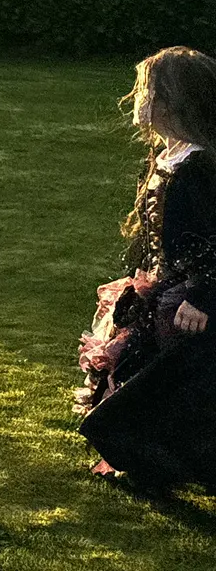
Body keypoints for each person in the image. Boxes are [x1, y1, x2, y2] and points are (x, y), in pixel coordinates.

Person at [77, 46, 216, 486]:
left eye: (147, 91)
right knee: (148, 378)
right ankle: (145, 463)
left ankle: (163, 464)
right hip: (163, 287)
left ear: (172, 101)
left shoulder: (200, 166)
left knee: (174, 388)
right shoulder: (169, 155)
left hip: (189, 299)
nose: (138, 99)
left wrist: (203, 294)